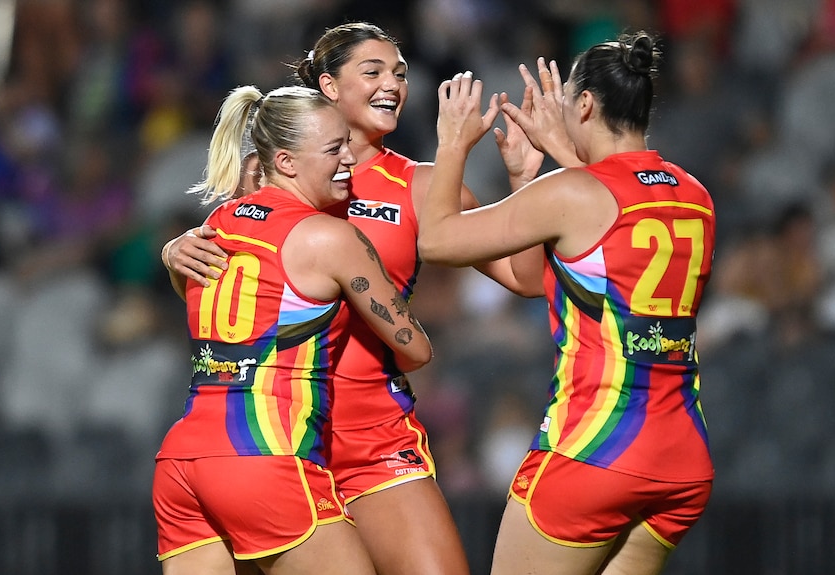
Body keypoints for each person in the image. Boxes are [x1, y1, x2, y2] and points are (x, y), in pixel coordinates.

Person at [161, 22, 562, 575]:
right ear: (328, 86)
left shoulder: (423, 185)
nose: (392, 84)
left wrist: (523, 181)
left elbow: (526, 277)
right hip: (272, 432)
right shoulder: (271, 177)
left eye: (398, 73)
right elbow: (227, 284)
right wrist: (176, 253)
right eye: (371, 72)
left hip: (370, 439)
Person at [418, 31, 716, 575]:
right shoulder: (695, 194)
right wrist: (531, 174)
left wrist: (453, 145)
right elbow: (540, 277)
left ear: (583, 104)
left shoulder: (571, 196)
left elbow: (435, 240)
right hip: (681, 459)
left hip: (597, 450)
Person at [152, 84, 432, 575]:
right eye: (334, 149)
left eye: (346, 142)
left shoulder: (215, 224)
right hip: (264, 453)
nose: (349, 158)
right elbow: (414, 347)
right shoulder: (330, 236)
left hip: (183, 460)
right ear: (284, 161)